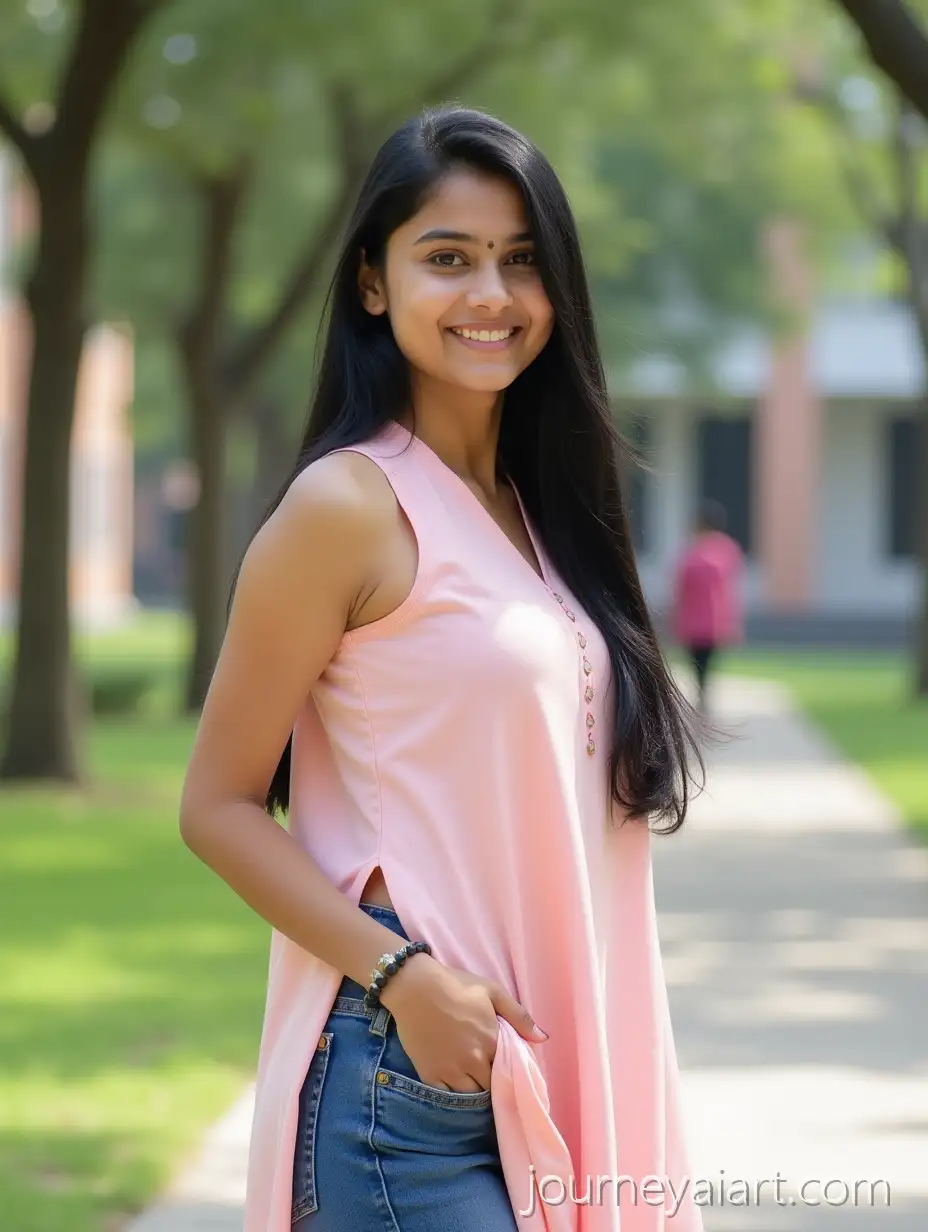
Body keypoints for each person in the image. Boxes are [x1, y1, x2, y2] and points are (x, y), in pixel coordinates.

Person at [180, 106, 705, 1232]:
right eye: (448, 257)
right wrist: (402, 979)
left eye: (522, 261)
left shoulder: (543, 516)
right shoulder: (346, 505)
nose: (490, 295)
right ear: (373, 283)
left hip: (549, 1067)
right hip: (407, 1086)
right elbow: (215, 804)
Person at [671, 499, 744, 712]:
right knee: (706, 664)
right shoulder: (728, 551)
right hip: (715, 620)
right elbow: (730, 590)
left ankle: (702, 697)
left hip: (693, 620)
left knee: (697, 663)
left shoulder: (691, 552)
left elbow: (681, 589)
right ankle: (704, 697)